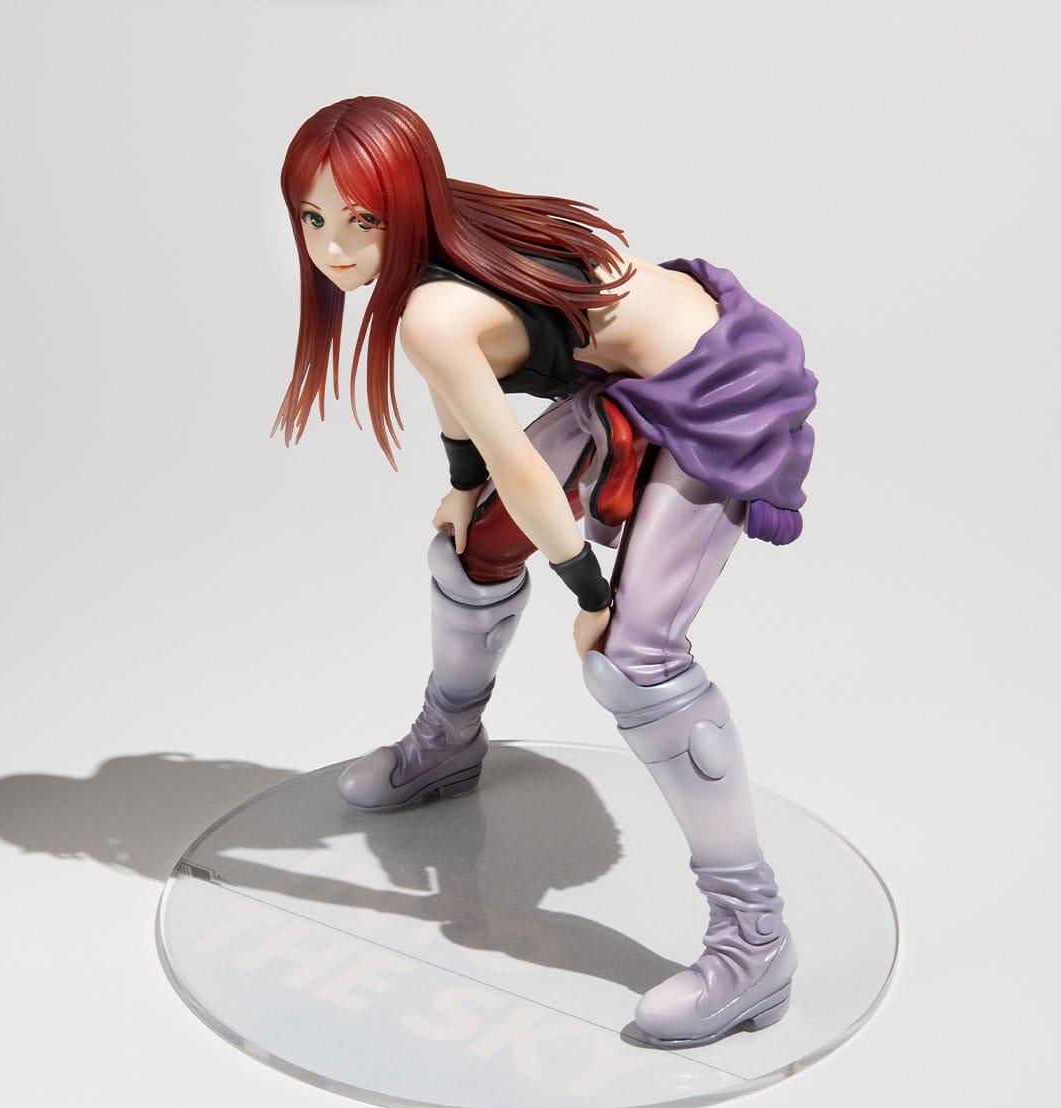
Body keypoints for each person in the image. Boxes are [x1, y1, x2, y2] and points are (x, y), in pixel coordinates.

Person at [273, 96, 817, 1049]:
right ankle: (447, 744)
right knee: (468, 549)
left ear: (406, 202)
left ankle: (754, 941)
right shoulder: (443, 248)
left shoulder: (431, 307)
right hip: (632, 381)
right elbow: (464, 390)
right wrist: (462, 485)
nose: (335, 249)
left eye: (362, 219)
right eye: (313, 219)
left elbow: (522, 464)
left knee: (634, 663)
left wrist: (592, 597)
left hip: (724, 386)